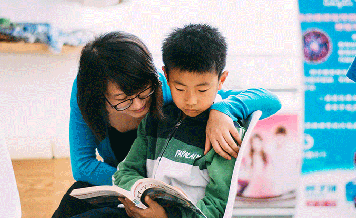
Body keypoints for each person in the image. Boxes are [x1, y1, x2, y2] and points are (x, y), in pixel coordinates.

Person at [53, 29, 281, 217]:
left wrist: (223, 109)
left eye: (144, 93)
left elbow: (267, 99)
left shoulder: (177, 92)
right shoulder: (86, 94)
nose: (137, 106)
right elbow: (83, 165)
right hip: (128, 180)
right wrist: (136, 188)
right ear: (99, 95)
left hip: (166, 197)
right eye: (122, 100)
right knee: (71, 203)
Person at [242, 133, 275, 198]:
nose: (256, 145)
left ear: (261, 142)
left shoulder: (266, 156)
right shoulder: (249, 157)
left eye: (258, 142)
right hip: (254, 184)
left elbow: (270, 171)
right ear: (252, 144)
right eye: (254, 143)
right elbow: (248, 172)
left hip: (265, 184)